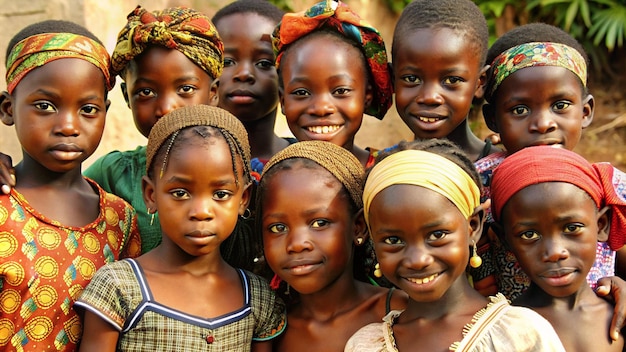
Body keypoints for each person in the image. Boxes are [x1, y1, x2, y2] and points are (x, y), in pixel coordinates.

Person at [75, 105, 286, 351]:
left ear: (243, 199)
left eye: (220, 194)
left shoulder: (258, 300)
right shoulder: (119, 288)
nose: (201, 212)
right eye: (180, 193)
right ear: (151, 195)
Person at [345, 139, 565, 351]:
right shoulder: (366, 345)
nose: (418, 259)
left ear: (473, 227)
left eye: (437, 235)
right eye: (394, 240)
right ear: (372, 236)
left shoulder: (520, 335)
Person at [0, 20, 141, 351]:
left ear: (105, 112)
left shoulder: (120, 220)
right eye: (45, 106)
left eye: (88, 109)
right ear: (8, 109)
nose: (67, 126)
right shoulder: (4, 205)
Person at [475, 23, 626, 303]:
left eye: (560, 106)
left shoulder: (611, 186)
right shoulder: (480, 185)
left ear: (585, 111)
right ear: (493, 119)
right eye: (520, 110)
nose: (543, 124)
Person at [84, 5, 223, 253]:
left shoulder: (235, 171)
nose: (167, 108)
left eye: (185, 89)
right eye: (146, 92)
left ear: (213, 93)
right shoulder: (115, 175)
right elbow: (56, 194)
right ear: (127, 97)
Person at [257, 140, 406, 352]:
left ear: (358, 228)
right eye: (277, 227)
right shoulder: (268, 330)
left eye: (319, 223)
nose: (297, 244)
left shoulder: (401, 313)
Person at [490, 146, 625, 351]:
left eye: (572, 228)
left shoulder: (619, 314)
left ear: (601, 225)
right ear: (505, 239)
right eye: (529, 235)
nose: (555, 252)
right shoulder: (505, 333)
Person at [272, 0, 393, 167]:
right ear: (283, 101)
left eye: (340, 91)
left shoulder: (388, 176)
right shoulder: (271, 180)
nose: (321, 108)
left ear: (367, 96)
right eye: (301, 93)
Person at [389, 0, 500, 162]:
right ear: (393, 80)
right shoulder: (383, 168)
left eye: (451, 80)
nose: (429, 97)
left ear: (480, 83)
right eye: (411, 79)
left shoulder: (502, 172)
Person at [212, 0, 295, 180]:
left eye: (264, 63)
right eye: (227, 62)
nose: (244, 74)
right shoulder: (179, 160)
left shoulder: (308, 163)